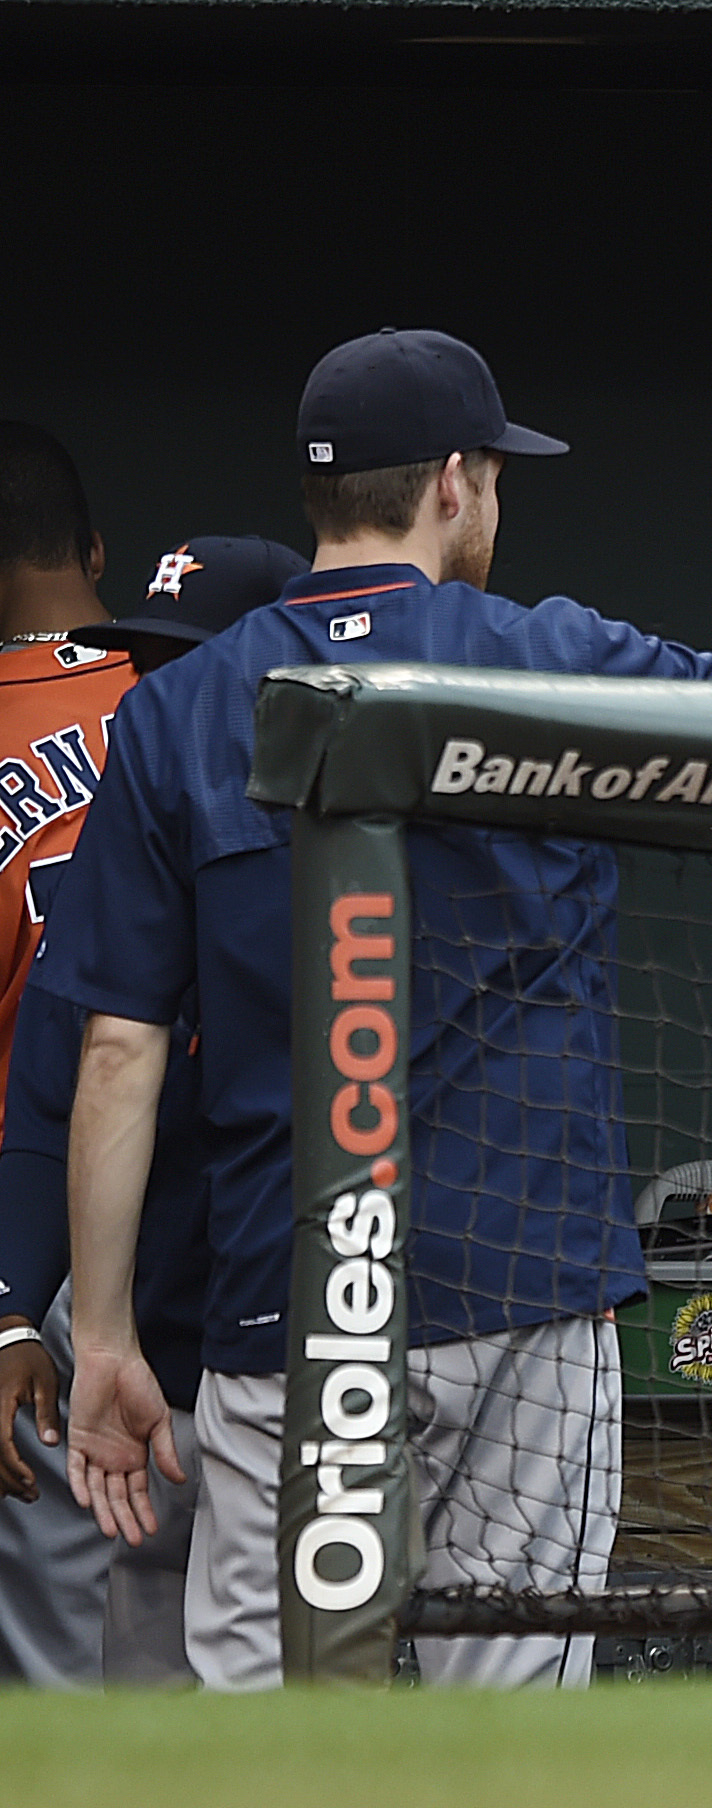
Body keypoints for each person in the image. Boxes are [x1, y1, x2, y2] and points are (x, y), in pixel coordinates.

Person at [46, 303, 712, 1690]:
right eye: (497, 473)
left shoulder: (174, 705)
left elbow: (115, 1053)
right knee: (501, 1754)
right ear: (456, 482)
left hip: (287, 1310)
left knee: (260, 1759)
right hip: (523, 1289)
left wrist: (101, 1335)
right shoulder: (540, 654)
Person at [1, 535, 307, 1685]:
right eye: (144, 663)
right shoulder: (119, 871)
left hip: (322, 1349)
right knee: (146, 1697)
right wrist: (16, 1312)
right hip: (161, 1355)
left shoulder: (349, 857)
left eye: (193, 662)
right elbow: (44, 1103)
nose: (156, 692)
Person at [0, 420, 130, 1688]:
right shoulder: (191, 697)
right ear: (95, 551)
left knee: (49, 1667)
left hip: (23, 1233)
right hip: (212, 1228)